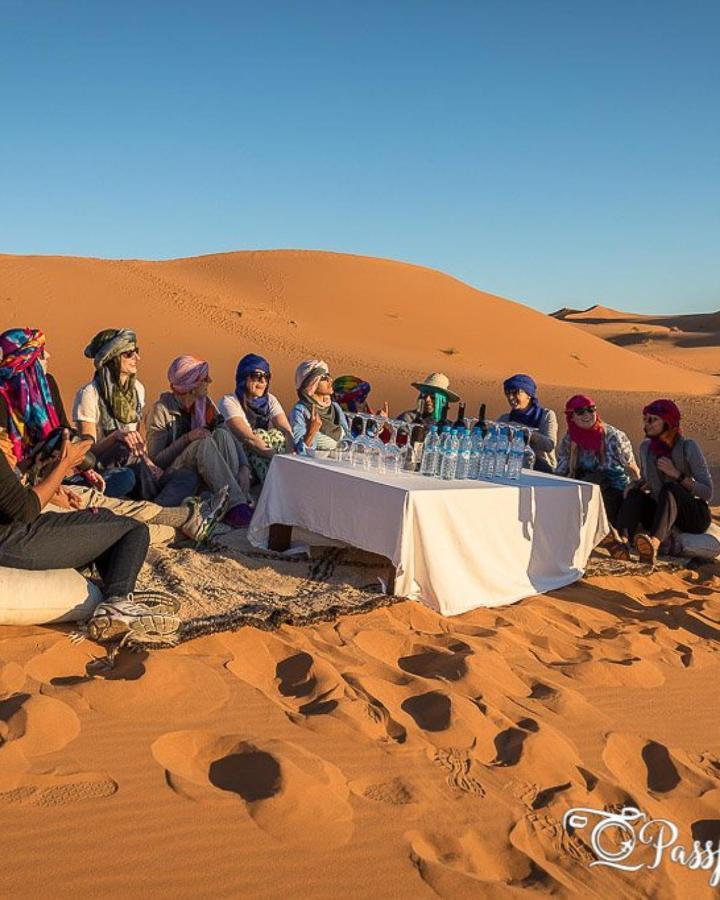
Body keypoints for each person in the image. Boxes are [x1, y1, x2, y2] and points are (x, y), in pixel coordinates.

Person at [0, 329, 227, 545]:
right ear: (113, 357)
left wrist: (146, 462)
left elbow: (69, 445)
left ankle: (175, 518)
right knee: (121, 486)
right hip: (90, 470)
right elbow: (84, 449)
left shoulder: (136, 390)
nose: (137, 357)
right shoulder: (89, 394)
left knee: (183, 478)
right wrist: (115, 438)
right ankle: (179, 524)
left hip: (92, 471)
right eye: (129, 353)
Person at [146, 355, 254, 528]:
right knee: (203, 443)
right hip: (175, 474)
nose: (209, 381)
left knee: (221, 434)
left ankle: (232, 502)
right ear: (192, 386)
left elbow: (228, 434)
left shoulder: (205, 405)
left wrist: (244, 466)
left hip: (204, 470)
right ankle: (235, 506)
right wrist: (187, 438)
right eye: (204, 379)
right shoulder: (161, 410)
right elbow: (156, 461)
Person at [618, 399, 713, 563]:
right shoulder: (646, 448)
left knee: (670, 488)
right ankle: (622, 542)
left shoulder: (688, 447)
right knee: (634, 494)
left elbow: (707, 492)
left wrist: (677, 475)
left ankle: (653, 545)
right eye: (645, 419)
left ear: (668, 422)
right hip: (660, 509)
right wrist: (636, 485)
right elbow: (647, 480)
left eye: (653, 419)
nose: (647, 424)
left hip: (691, 515)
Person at [555, 394, 640, 556]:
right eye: (580, 412)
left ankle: (612, 537)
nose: (587, 415)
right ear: (571, 417)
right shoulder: (570, 439)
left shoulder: (613, 436)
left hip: (615, 489)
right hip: (583, 486)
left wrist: (636, 490)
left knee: (595, 491)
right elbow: (562, 470)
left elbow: (632, 468)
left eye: (590, 409)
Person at [220, 353, 293, 484]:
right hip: (240, 458)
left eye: (266, 377)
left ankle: (282, 480)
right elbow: (249, 439)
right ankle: (275, 483)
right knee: (258, 434)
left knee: (278, 435)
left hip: (269, 456)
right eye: (257, 376)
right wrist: (277, 458)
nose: (263, 382)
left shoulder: (270, 400)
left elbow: (287, 431)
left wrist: (287, 458)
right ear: (244, 376)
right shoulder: (229, 401)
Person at [497, 374, 558, 473]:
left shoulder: (546, 415)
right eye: (507, 393)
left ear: (529, 395)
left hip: (542, 471)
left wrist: (525, 430)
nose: (510, 397)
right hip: (511, 469)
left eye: (515, 392)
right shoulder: (505, 419)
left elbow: (549, 445)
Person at [289, 359, 349, 454]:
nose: (331, 380)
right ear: (311, 384)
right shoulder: (300, 411)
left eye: (329, 375)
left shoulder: (335, 407)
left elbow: (348, 438)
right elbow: (299, 453)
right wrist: (311, 432)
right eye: (324, 377)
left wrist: (373, 429)